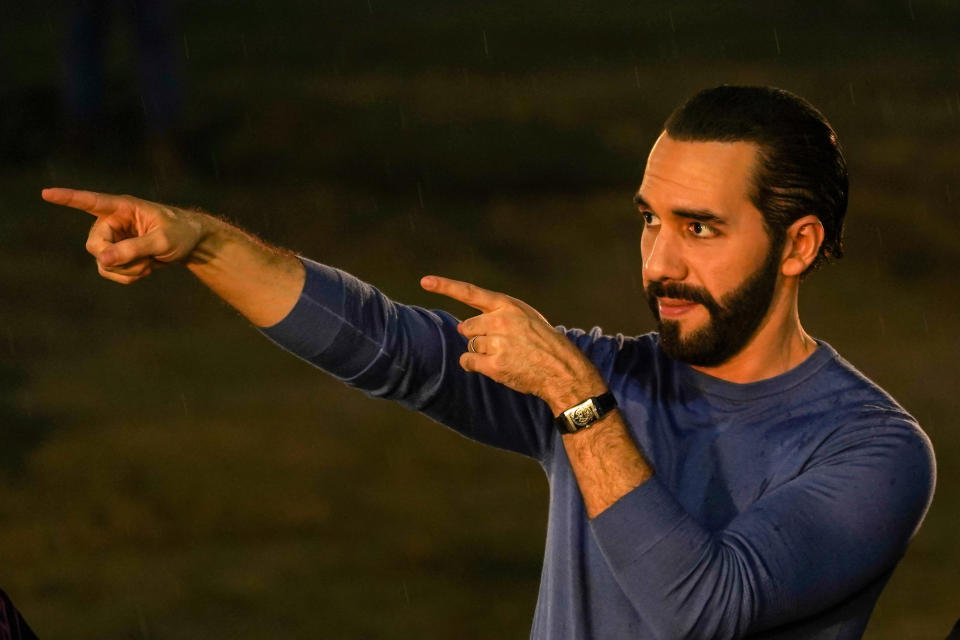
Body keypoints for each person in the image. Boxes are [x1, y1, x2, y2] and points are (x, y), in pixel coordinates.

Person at [43, 85, 935, 639]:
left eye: (700, 228)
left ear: (798, 244)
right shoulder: (610, 375)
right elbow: (388, 346)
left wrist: (577, 403)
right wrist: (201, 244)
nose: (660, 262)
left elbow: (701, 610)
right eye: (649, 220)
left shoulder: (872, 451)